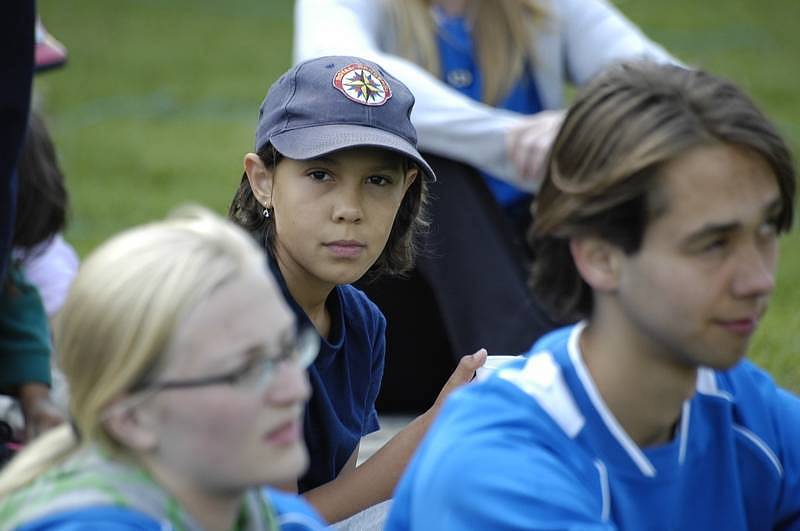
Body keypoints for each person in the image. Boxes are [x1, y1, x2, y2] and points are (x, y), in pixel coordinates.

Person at [385, 60, 799, 530]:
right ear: (599, 255)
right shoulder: (496, 470)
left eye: (766, 230)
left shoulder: (741, 404)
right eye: (712, 244)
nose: (758, 279)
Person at [293, 0, 679, 413]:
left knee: (633, 159)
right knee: (425, 164)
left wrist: (580, 127)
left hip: (532, 266)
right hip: (406, 319)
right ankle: (540, 383)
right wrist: (510, 141)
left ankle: (632, 355)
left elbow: (674, 91)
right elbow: (342, 83)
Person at [228, 54, 486, 526]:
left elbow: (337, 501)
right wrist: (431, 430)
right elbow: (271, 522)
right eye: (320, 174)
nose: (350, 208)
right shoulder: (237, 313)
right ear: (262, 180)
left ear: (406, 189)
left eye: (378, 181)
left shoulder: (362, 322)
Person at [0, 207, 327, 530]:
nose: (297, 389)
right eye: (246, 371)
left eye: (288, 349)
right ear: (131, 417)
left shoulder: (281, 518)